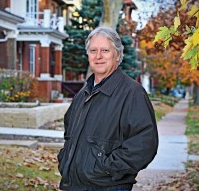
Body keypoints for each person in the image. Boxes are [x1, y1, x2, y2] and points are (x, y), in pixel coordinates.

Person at [57, 26, 158, 191]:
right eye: (93, 50)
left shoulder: (132, 93)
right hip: (73, 185)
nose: (98, 56)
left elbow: (144, 144)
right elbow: (69, 135)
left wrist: (105, 168)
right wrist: (64, 160)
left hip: (108, 186)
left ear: (117, 55)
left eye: (105, 50)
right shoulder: (83, 94)